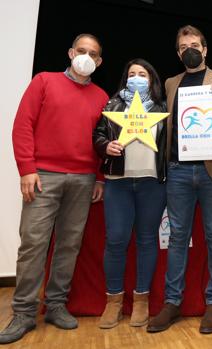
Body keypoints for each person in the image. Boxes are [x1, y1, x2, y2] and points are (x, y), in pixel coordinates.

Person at [0, 33, 108, 344]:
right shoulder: (44, 81)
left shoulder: (101, 97)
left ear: (99, 62)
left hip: (83, 180)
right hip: (43, 176)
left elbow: (102, 142)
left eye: (93, 54)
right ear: (71, 52)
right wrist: (27, 169)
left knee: (69, 245)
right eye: (82, 50)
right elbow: (23, 125)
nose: (86, 56)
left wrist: (99, 177)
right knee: (33, 243)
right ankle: (23, 312)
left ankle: (56, 305)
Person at [147, 25, 212, 334]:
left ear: (204, 50)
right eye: (183, 46)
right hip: (178, 169)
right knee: (178, 238)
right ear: (178, 53)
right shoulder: (170, 83)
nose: (189, 49)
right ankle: (172, 303)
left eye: (194, 44)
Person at [92, 58, 167, 329]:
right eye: (132, 74)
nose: (137, 78)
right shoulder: (112, 105)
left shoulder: (163, 107)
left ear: (151, 80)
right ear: (125, 79)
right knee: (116, 240)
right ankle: (113, 302)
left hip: (151, 183)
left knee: (147, 240)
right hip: (118, 182)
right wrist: (105, 146)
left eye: (143, 74)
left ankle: (141, 301)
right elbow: (98, 135)